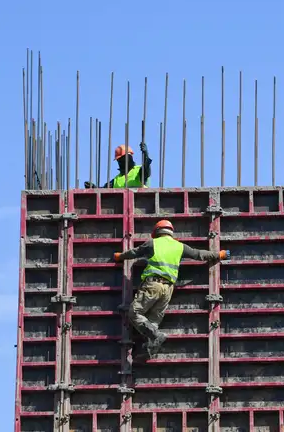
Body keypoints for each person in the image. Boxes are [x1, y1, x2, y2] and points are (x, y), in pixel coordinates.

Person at [113, 220, 230, 360]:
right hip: (168, 289)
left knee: (134, 313)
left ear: (156, 232)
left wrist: (120, 256)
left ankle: (156, 336)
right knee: (153, 321)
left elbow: (134, 252)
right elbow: (199, 254)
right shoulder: (179, 246)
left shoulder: (152, 243)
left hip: (153, 285)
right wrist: (219, 254)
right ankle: (151, 348)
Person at [85, 142, 152, 188]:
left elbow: (146, 171)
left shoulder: (138, 171)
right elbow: (104, 190)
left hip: (140, 206)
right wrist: (94, 188)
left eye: (124, 158)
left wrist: (145, 154)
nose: (121, 162)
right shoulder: (116, 180)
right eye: (119, 160)